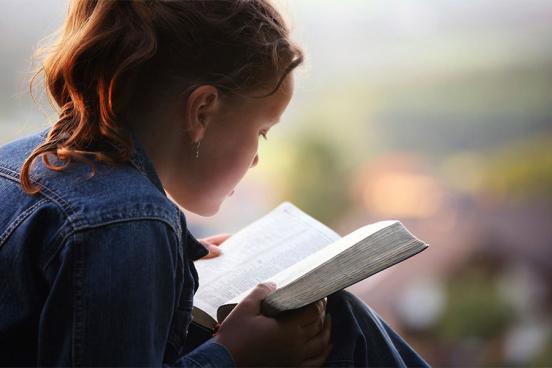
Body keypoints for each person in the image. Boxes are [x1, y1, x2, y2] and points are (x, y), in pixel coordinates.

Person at [0, 0, 429, 366]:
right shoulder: (128, 224)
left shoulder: (16, 161)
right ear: (202, 111)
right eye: (261, 131)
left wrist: (175, 270)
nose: (259, 156)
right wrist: (236, 355)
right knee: (332, 312)